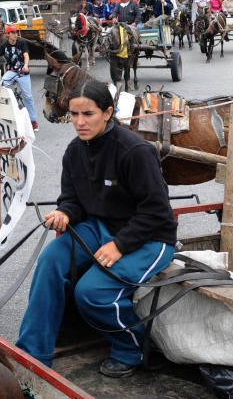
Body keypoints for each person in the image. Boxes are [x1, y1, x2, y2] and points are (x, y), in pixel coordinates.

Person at [16, 80, 176, 377]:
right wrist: (64, 212)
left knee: (92, 293)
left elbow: (157, 212)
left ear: (108, 112)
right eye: (74, 115)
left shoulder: (134, 151)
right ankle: (32, 354)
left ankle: (131, 348)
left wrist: (119, 245)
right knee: (49, 262)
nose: (79, 122)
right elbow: (72, 199)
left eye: (88, 114)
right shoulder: (74, 151)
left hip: (150, 238)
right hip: (99, 227)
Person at [0, 25, 38, 131]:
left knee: (28, 96)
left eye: (16, 32)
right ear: (8, 34)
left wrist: (26, 66)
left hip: (23, 71)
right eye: (13, 32)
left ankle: (33, 121)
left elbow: (26, 56)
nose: (16, 34)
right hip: (11, 71)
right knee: (0, 87)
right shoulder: (4, 45)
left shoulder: (22, 43)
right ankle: (2, 115)